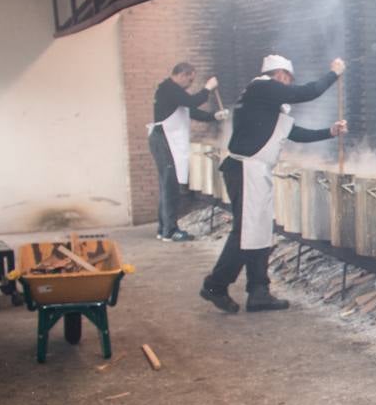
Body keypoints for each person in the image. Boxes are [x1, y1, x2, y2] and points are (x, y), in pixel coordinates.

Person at [200, 54, 347, 314]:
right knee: (245, 231)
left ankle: (259, 292)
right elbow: (307, 92)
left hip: (255, 171)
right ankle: (215, 285)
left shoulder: (267, 102)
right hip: (245, 169)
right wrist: (333, 74)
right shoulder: (261, 86)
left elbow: (295, 133)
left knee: (258, 231)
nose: (288, 85)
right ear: (279, 75)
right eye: (287, 79)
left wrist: (330, 132)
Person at [148, 62, 228, 241]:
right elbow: (193, 102)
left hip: (165, 140)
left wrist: (214, 116)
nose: (191, 84)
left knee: (167, 185)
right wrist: (207, 88)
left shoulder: (173, 91)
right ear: (182, 74)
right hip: (164, 140)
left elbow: (191, 111)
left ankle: (164, 229)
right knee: (170, 186)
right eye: (190, 80)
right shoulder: (169, 89)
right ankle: (170, 231)